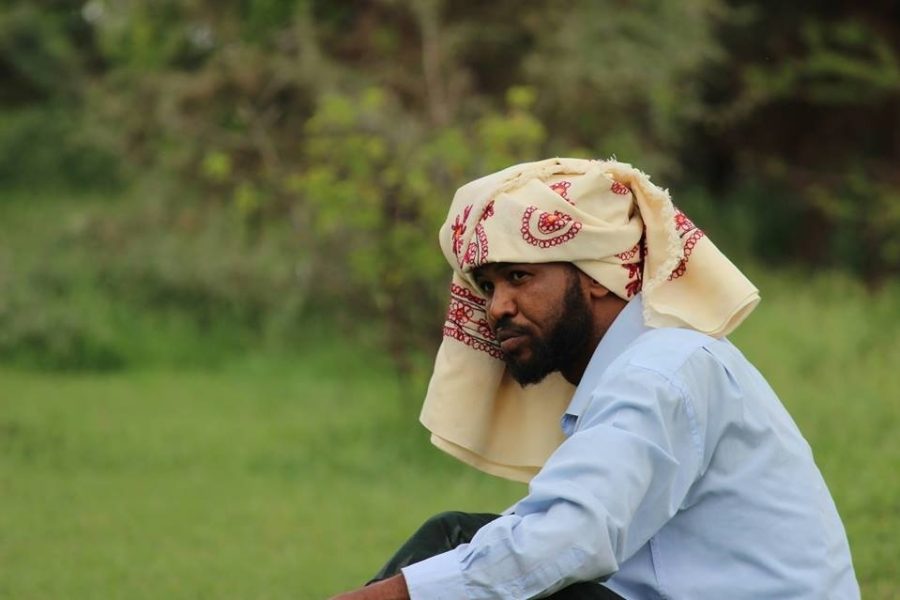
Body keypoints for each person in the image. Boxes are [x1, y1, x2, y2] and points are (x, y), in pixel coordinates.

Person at [330, 158, 859, 599]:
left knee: (473, 566)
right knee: (461, 544)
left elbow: (569, 536)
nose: (498, 308)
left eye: (519, 276)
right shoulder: (638, 366)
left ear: (599, 279)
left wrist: (389, 596)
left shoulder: (661, 369)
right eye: (487, 286)